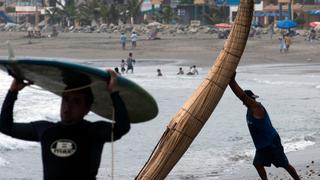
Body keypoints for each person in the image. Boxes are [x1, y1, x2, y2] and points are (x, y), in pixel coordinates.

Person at [0, 69, 130, 180]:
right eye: (66, 99)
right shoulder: (45, 130)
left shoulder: (94, 131)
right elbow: (5, 127)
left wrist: (114, 93)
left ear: (87, 108)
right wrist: (13, 92)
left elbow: (122, 127)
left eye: (76, 101)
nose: (68, 106)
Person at [228, 73, 300, 180]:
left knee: (284, 164)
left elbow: (241, 95)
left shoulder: (256, 107)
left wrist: (231, 82)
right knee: (257, 164)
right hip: (262, 145)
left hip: (271, 142)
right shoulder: (249, 109)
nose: (253, 100)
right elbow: (243, 97)